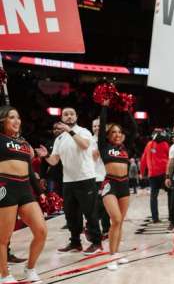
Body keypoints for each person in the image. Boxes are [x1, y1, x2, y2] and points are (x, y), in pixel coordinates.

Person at [38, 107, 103, 255]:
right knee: (71, 214)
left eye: (71, 114)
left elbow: (85, 145)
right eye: (65, 115)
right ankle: (75, 243)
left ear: (76, 117)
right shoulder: (59, 139)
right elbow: (54, 161)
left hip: (85, 178)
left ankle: (97, 242)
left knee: (90, 212)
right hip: (68, 181)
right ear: (62, 118)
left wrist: (70, 131)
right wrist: (46, 155)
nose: (68, 116)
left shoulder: (84, 131)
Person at [0, 106, 47, 283]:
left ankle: (30, 268)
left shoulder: (25, 144)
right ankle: (4, 275)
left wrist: (41, 193)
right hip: (5, 188)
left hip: (25, 189)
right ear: (2, 120)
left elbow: (29, 171)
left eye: (18, 117)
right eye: (11, 117)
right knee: (3, 237)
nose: (16, 121)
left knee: (41, 231)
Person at [97, 99, 138, 270]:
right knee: (116, 219)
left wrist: (127, 110)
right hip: (110, 184)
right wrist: (105, 106)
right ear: (108, 135)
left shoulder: (124, 147)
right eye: (113, 132)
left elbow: (135, 130)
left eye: (119, 132)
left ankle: (116, 253)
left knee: (120, 222)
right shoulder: (104, 146)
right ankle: (111, 256)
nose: (117, 134)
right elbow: (102, 126)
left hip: (124, 185)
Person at [140, 129, 171, 223]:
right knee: (170, 194)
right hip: (163, 174)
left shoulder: (149, 144)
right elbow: (171, 158)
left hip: (153, 174)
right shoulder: (165, 144)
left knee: (154, 196)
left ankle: (155, 218)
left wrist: (142, 173)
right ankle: (172, 216)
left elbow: (143, 159)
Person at [91, 117, 111, 238]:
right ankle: (94, 229)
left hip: (105, 176)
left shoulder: (109, 140)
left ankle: (106, 230)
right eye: (94, 126)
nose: (97, 128)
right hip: (92, 176)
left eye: (99, 126)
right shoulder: (89, 140)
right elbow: (92, 157)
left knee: (105, 206)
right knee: (94, 206)